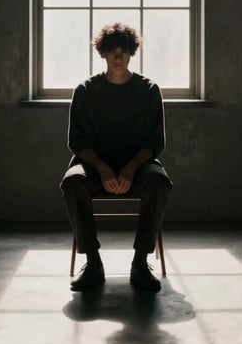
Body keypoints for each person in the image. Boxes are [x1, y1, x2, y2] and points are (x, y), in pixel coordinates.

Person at [61, 22, 172, 292]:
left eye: (124, 51)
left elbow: (155, 141)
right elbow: (77, 141)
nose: (119, 58)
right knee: (72, 182)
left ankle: (140, 262)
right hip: (93, 165)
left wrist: (131, 168)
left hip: (139, 165)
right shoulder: (85, 91)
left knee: (159, 182)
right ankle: (93, 263)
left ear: (132, 52)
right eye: (113, 52)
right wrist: (102, 168)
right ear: (103, 53)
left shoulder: (148, 90)